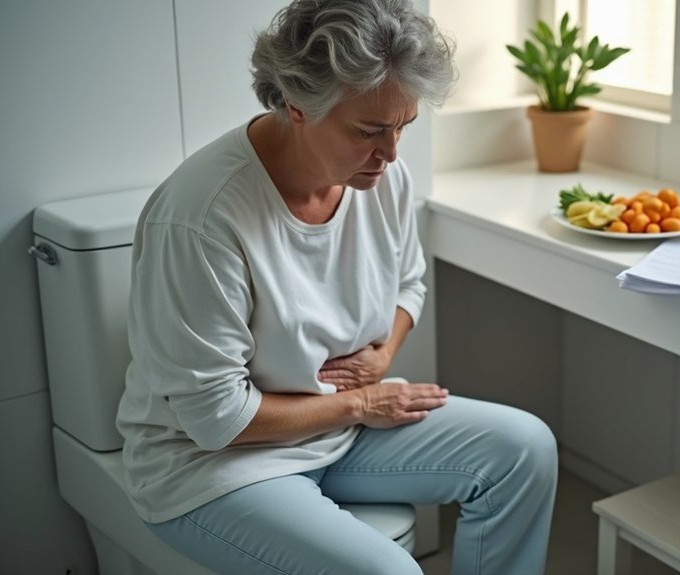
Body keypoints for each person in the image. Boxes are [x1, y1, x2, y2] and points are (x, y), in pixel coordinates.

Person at [115, 1, 558, 573]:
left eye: (404, 126)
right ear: (297, 105)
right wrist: (362, 401)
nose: (392, 153)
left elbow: (409, 283)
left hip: (342, 427)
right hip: (212, 464)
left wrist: (382, 358)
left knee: (525, 449)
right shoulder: (203, 216)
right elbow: (216, 419)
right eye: (370, 130)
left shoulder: (379, 174)